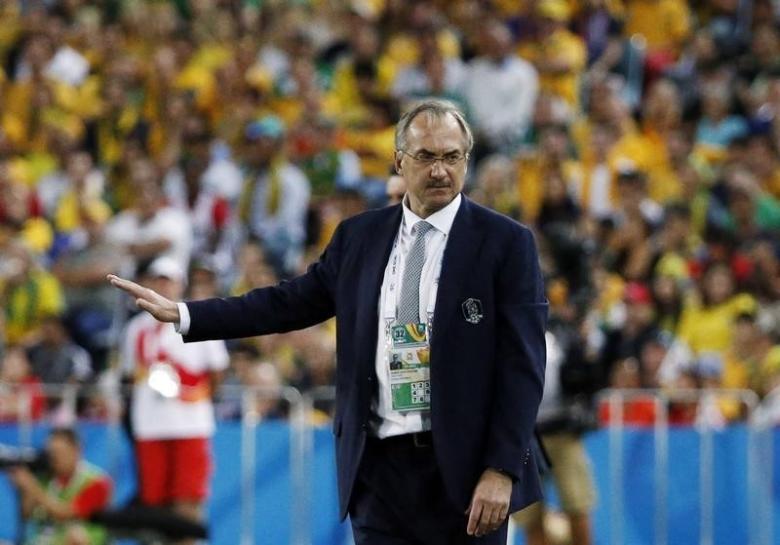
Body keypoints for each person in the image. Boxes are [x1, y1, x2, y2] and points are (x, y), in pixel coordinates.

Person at [108, 99, 547, 544]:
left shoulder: (506, 243)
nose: (440, 170)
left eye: (452, 157)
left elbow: (523, 366)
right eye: (426, 156)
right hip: (379, 470)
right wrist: (185, 313)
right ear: (399, 160)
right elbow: (286, 304)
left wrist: (502, 468)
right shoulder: (359, 238)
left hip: (466, 471)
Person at [119, 256, 229, 529]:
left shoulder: (200, 319)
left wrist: (192, 400)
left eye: (168, 281)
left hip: (190, 424)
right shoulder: (136, 330)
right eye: (157, 280)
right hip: (150, 425)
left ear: (181, 285)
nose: (163, 287)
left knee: (188, 499)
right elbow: (131, 375)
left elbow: (217, 372)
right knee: (154, 502)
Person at [7, 428, 113, 545]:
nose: (54, 459)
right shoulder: (44, 478)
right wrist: (24, 488)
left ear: (76, 450)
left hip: (79, 541)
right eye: (51, 454)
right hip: (43, 540)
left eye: (59, 453)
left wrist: (32, 487)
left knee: (77, 536)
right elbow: (27, 513)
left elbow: (65, 513)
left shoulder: (97, 481)